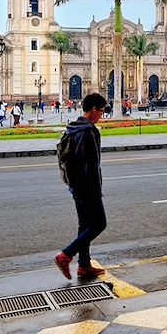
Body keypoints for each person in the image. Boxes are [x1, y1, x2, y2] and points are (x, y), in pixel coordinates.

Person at [54, 92, 108, 280]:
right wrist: (96, 191)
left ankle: (84, 266)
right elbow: (91, 165)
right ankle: (66, 255)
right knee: (99, 224)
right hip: (88, 188)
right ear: (93, 109)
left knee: (85, 225)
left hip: (76, 186)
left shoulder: (73, 127)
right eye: (101, 111)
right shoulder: (88, 131)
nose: (101, 115)